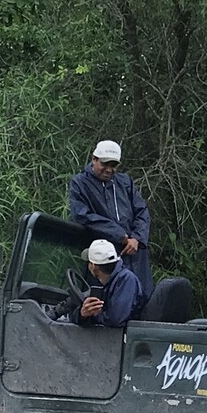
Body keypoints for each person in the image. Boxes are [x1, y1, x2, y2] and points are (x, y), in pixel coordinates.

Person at [68, 140, 155, 296]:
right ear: (94, 159)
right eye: (105, 164)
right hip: (104, 258)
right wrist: (120, 235)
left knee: (142, 298)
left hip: (134, 253)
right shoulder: (80, 183)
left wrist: (137, 238)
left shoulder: (125, 181)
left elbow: (142, 211)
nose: (109, 169)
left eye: (113, 165)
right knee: (105, 301)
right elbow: (82, 216)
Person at [75, 239, 146, 328]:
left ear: (93, 266)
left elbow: (115, 320)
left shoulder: (126, 279)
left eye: (89, 262)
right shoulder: (105, 283)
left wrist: (94, 316)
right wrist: (83, 314)